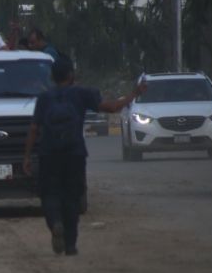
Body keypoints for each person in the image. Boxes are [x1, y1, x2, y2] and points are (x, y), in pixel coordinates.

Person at [22, 55, 146, 255]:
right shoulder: (82, 94)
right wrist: (134, 93)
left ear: (52, 77)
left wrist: (27, 156)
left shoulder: (44, 98)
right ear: (71, 75)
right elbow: (113, 108)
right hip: (75, 153)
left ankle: (55, 223)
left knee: (49, 195)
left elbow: (34, 129)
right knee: (72, 197)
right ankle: (70, 245)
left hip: (49, 154)